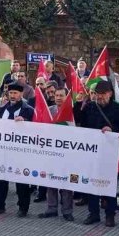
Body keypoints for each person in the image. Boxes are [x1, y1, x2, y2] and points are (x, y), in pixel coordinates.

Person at [76, 80, 119, 227]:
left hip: (111, 153)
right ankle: (93, 213)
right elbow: (81, 125)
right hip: (92, 152)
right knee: (92, 184)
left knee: (109, 184)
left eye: (103, 94)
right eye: (97, 94)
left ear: (110, 94)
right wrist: (77, 104)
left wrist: (114, 131)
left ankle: (110, 215)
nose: (99, 97)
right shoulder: (89, 107)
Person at [0, 83, 36, 217]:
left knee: (21, 181)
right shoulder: (1, 110)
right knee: (1, 180)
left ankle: (23, 207)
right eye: (11, 93)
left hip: (20, 152)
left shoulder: (27, 110)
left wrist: (25, 121)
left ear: (21, 94)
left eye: (16, 93)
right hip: (3, 151)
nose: (13, 95)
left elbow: (35, 129)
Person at [38, 87, 77, 222]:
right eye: (56, 95)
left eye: (62, 95)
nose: (59, 98)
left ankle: (67, 211)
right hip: (52, 152)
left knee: (66, 182)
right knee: (51, 180)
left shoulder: (73, 111)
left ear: (67, 97)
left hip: (68, 153)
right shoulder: (50, 111)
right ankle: (51, 208)